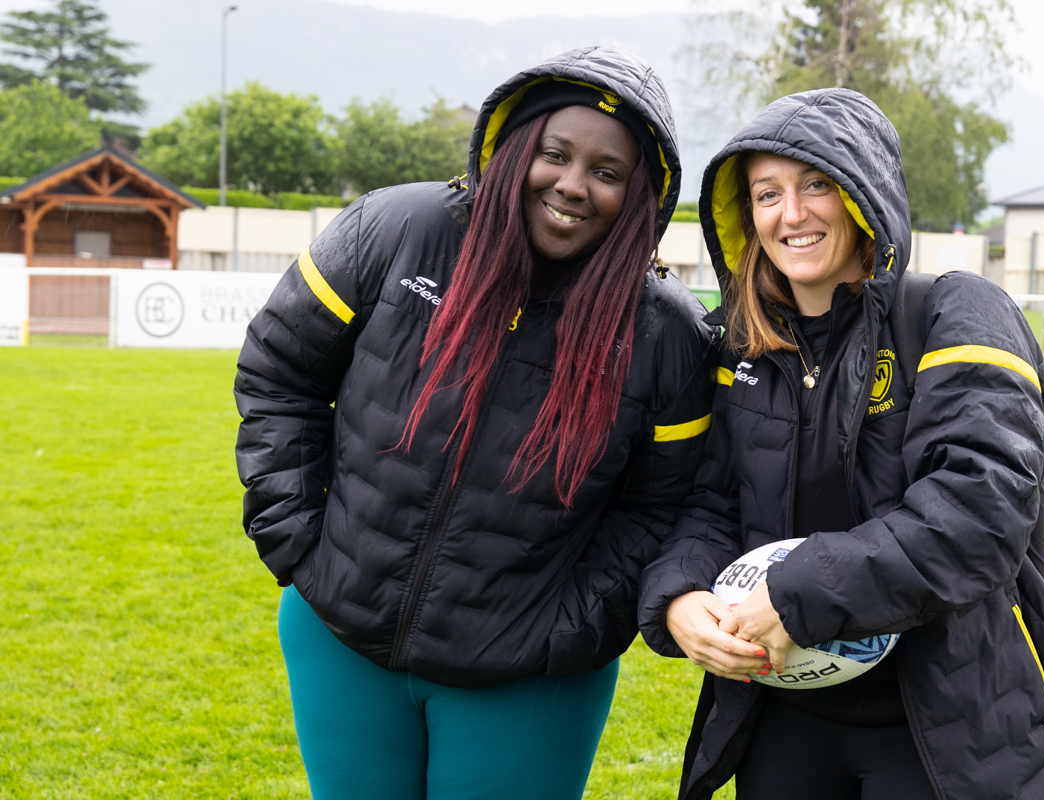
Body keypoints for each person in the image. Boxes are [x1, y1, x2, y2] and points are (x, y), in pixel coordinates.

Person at [234, 47, 717, 800]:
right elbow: (279, 373)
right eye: (555, 154)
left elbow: (663, 506)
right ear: (517, 146)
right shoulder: (395, 228)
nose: (573, 185)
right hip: (340, 640)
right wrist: (299, 541)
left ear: (641, 196)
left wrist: (570, 628)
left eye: (607, 172)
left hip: (527, 677)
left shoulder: (668, 332)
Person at [637, 89, 1044, 800]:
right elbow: (714, 504)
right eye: (766, 193)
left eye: (817, 185)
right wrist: (681, 594)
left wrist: (800, 590)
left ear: (864, 195)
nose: (792, 213)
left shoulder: (955, 311)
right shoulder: (741, 346)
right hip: (785, 712)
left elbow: (978, 515)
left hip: (944, 719)